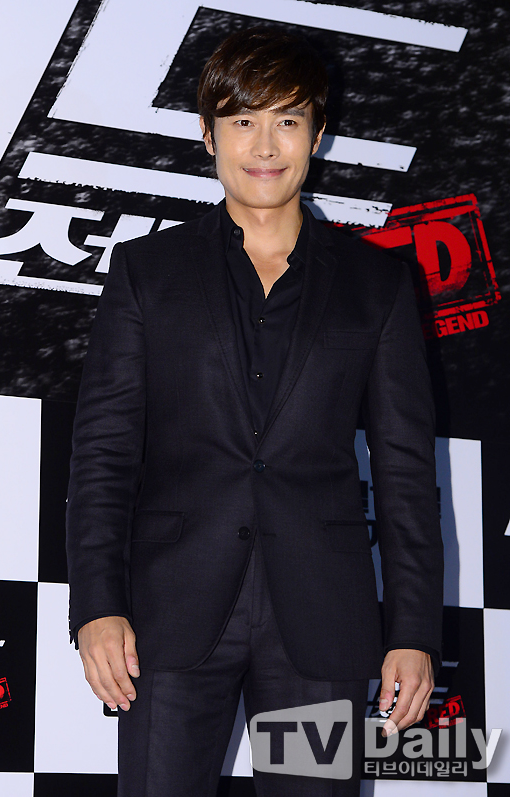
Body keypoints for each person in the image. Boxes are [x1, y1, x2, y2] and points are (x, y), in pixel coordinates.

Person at [66, 26, 444, 797]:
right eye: (242, 121)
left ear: (318, 134)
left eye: (287, 120)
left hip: (323, 617)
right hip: (171, 617)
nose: (265, 145)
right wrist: (97, 606)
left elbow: (406, 471)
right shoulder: (148, 271)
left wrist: (413, 631)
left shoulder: (376, 284)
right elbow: (104, 452)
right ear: (209, 135)